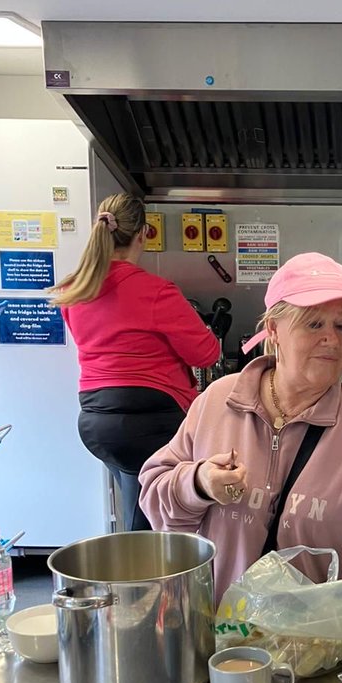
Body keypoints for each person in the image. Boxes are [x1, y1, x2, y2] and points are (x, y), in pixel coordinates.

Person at [138, 253, 342, 650]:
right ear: (273, 329)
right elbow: (155, 492)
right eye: (314, 324)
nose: (332, 338)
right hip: (228, 649)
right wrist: (197, 482)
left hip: (331, 654)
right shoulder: (218, 402)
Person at [49, 194, 220, 532]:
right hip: (150, 422)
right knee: (147, 518)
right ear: (144, 234)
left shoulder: (75, 289)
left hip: (95, 420)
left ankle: (138, 567)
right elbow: (206, 354)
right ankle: (142, 578)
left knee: (138, 499)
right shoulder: (155, 291)